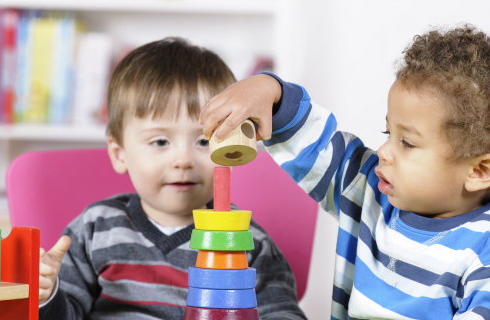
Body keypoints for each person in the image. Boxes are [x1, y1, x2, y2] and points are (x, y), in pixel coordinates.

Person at [199, 25, 490, 320]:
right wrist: (270, 91)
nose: (384, 151)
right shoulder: (371, 191)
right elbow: (318, 147)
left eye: (407, 142)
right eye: (387, 133)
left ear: (479, 170)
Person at [37, 37, 307, 320]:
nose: (183, 160)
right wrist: (47, 295)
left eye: (204, 141)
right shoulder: (95, 229)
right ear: (119, 154)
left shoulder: (245, 239)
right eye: (161, 141)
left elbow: (282, 313)